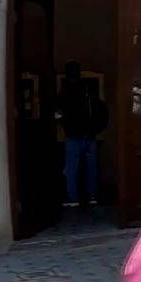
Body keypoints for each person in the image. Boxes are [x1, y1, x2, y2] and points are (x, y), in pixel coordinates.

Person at [55, 62, 108, 207]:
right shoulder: (89, 90)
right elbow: (102, 110)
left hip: (73, 135)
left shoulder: (64, 92)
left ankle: (73, 198)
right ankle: (92, 196)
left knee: (71, 169)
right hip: (90, 135)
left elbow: (58, 114)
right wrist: (95, 129)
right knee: (91, 168)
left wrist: (65, 125)